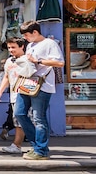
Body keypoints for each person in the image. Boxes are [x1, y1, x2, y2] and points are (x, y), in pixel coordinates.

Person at [15, 20, 63, 160]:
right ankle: (36, 146)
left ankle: (41, 151)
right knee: (19, 113)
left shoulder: (50, 43)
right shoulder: (30, 45)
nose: (25, 38)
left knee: (38, 118)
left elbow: (59, 62)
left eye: (27, 35)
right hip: (28, 82)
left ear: (35, 32)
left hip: (43, 84)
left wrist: (38, 61)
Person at [0, 36, 28, 154]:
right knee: (18, 120)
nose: (11, 50)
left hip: (26, 93)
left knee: (23, 120)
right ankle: (19, 145)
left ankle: (18, 145)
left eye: (13, 47)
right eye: (9, 47)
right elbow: (7, 77)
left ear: (22, 46)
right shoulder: (9, 61)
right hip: (14, 94)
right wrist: (0, 92)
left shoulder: (27, 59)